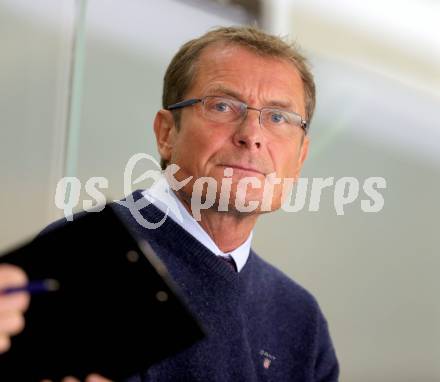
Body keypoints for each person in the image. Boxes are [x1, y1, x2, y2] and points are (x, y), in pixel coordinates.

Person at [0, 26, 339, 381]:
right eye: (222, 106)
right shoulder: (83, 259)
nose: (251, 136)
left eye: (277, 117)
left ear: (300, 158)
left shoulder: (301, 321)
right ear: (166, 133)